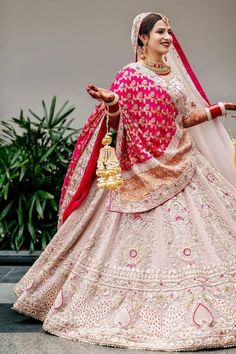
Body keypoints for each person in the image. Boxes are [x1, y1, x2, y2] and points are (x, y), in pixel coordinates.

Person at [13, 12, 236, 351]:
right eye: (160, 31)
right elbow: (115, 124)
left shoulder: (174, 78)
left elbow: (184, 119)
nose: (168, 37)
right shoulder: (129, 75)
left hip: (183, 160)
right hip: (140, 170)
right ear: (142, 38)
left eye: (170, 32)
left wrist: (217, 108)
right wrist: (112, 104)